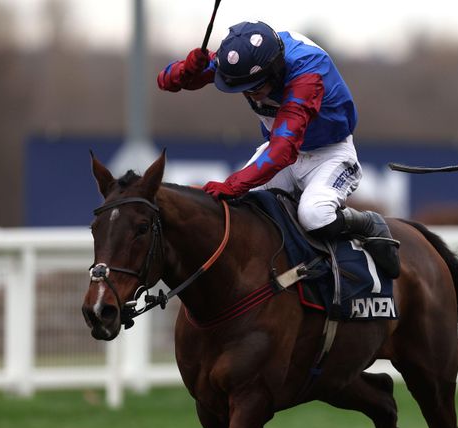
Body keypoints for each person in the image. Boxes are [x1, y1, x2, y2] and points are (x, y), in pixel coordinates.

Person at [157, 21, 399, 278]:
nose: (251, 96)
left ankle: (368, 224)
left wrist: (234, 183)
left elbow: (283, 148)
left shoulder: (307, 76)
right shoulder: (246, 56)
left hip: (330, 154)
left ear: (274, 72)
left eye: (255, 88)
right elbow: (165, 81)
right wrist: (186, 71)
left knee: (314, 214)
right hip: (282, 152)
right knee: (233, 210)